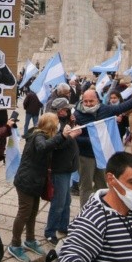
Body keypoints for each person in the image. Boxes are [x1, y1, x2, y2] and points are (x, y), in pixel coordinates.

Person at [8, 113, 76, 262]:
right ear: (51, 124)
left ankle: (30, 240)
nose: (59, 124)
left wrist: (66, 137)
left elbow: (53, 145)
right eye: (57, 121)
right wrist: (62, 136)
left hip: (35, 182)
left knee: (32, 213)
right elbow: (43, 147)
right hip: (26, 181)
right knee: (24, 213)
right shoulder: (37, 136)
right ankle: (14, 244)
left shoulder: (45, 135)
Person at [74, 89, 132, 207]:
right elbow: (75, 138)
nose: (89, 104)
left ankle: (101, 208)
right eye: (86, 101)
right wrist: (94, 140)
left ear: (97, 100)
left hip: (102, 155)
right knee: (86, 186)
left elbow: (120, 108)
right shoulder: (77, 115)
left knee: (102, 184)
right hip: (86, 156)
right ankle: (85, 211)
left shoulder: (104, 109)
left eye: (91, 101)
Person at [43, 98, 81, 244]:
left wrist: (72, 124)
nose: (68, 111)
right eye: (66, 109)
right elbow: (56, 145)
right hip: (59, 168)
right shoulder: (52, 123)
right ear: (59, 111)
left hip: (67, 166)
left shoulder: (65, 121)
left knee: (67, 200)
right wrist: (71, 137)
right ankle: (50, 231)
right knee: (59, 202)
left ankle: (63, 226)